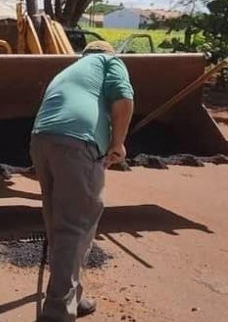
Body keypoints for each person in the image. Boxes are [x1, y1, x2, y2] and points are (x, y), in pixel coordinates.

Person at [30, 40, 135, 321]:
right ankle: (57, 313)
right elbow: (124, 100)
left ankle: (72, 297)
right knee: (75, 227)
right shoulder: (110, 61)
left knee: (58, 222)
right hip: (77, 143)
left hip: (41, 140)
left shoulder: (70, 71)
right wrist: (118, 144)